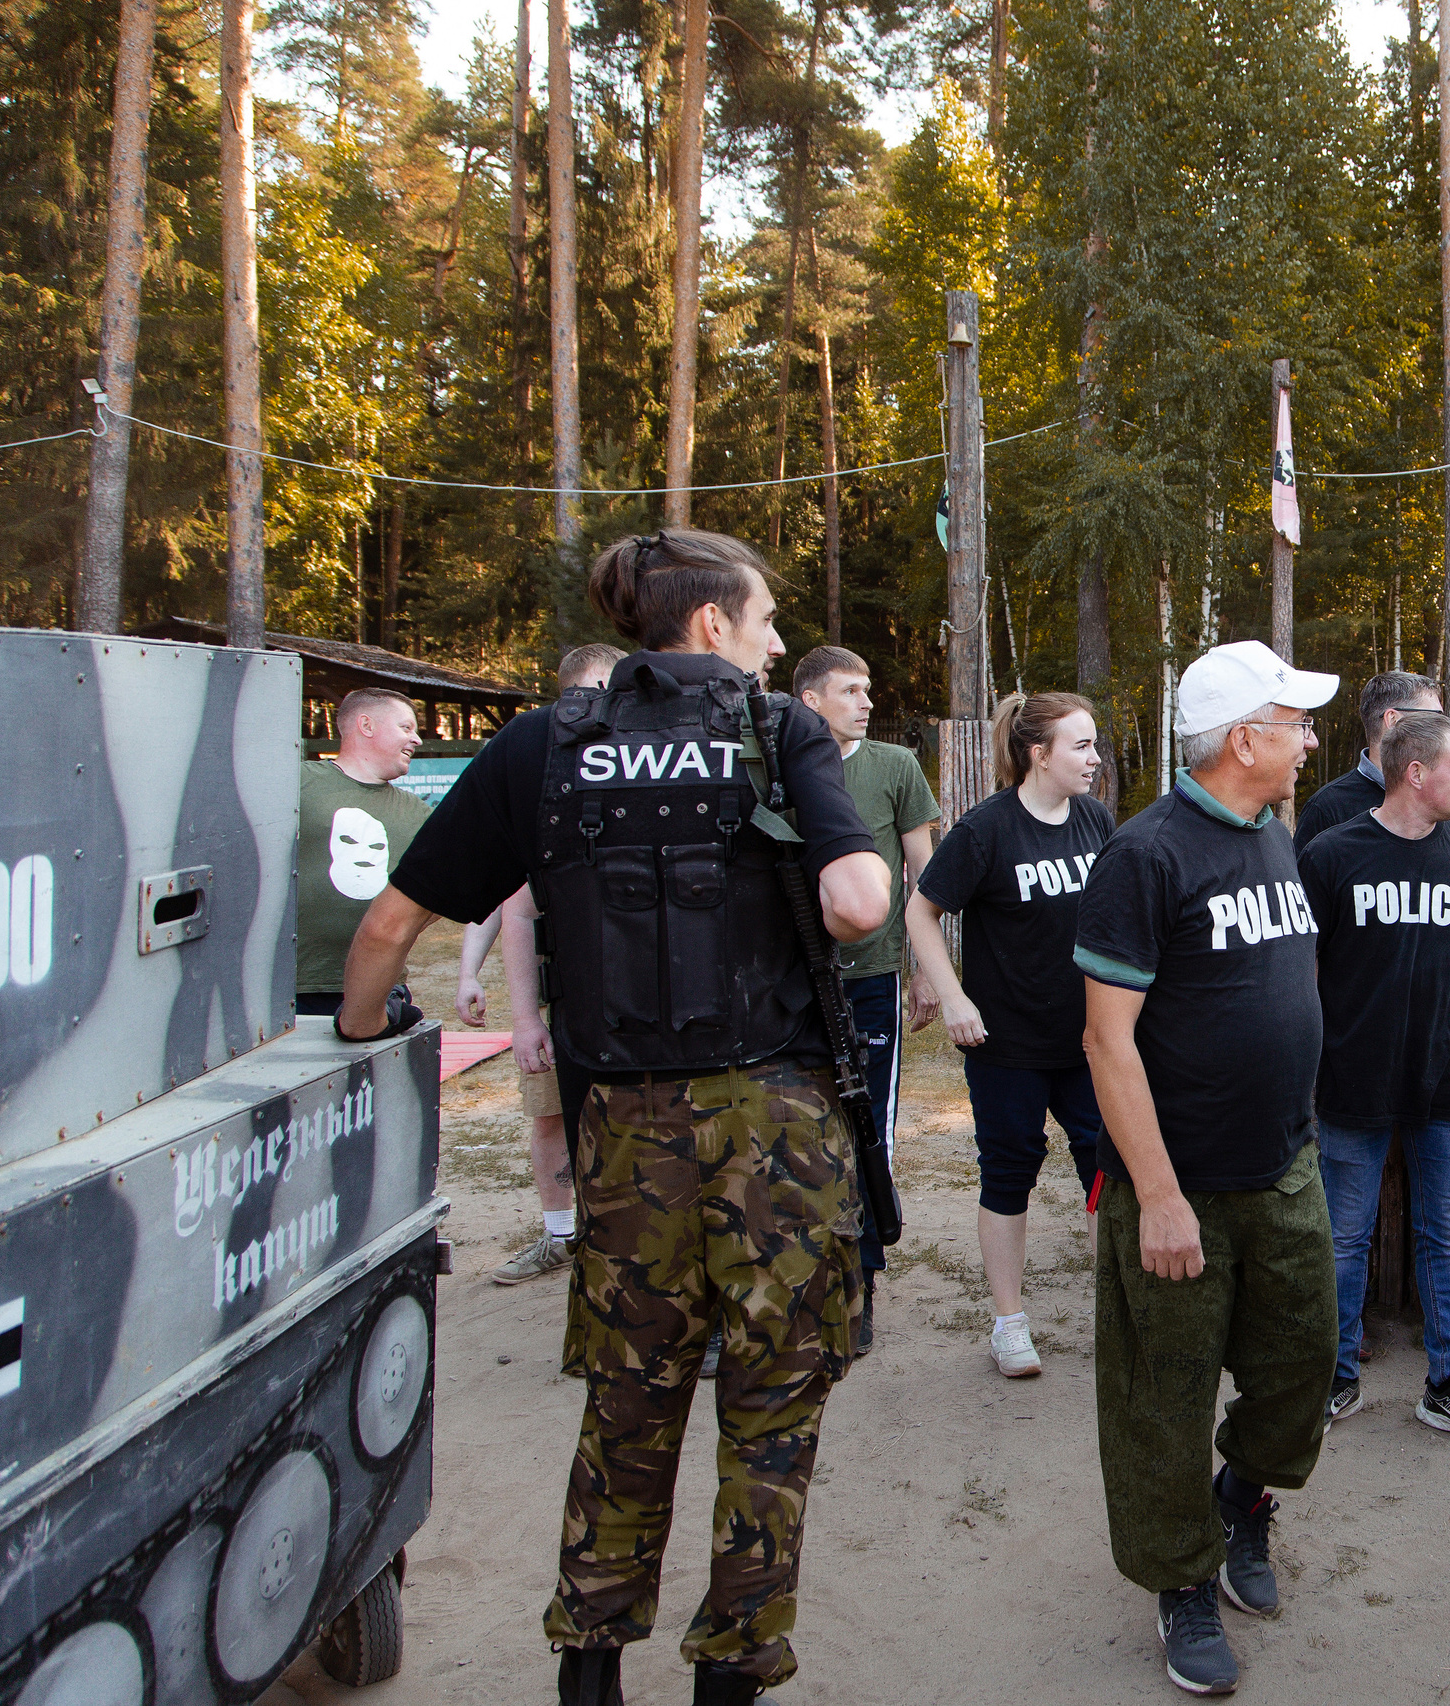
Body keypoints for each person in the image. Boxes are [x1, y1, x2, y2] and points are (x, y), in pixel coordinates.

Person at [329, 529, 890, 1706]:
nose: (778, 641)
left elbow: (389, 927)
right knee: (770, 1411)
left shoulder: (546, 740)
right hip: (775, 1130)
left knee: (628, 1400)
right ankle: (730, 1675)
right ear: (708, 626)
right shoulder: (780, 730)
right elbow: (854, 902)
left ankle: (589, 1670)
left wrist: (363, 1032)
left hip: (625, 1134)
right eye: (766, 619)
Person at [1075, 639, 1340, 1697]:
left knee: (1304, 1365)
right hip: (1177, 1186)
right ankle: (1180, 1578)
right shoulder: (1144, 856)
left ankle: (1240, 1498)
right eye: (1296, 720)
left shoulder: (1276, 833)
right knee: (1161, 1400)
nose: (1311, 737)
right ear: (1245, 739)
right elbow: (1107, 1040)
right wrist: (1161, 1196)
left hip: (1283, 1167)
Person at [1297, 711, 1450, 1448]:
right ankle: (1335, 1379)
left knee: (1445, 1236)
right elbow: (1298, 972)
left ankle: (1449, 1385)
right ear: (1416, 773)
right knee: (1343, 1238)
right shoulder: (1332, 855)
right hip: (1351, 1079)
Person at [905, 692, 1112, 1378]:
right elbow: (921, 911)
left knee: (1104, 1171)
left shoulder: (1095, 821)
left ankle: (1117, 1312)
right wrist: (955, 995)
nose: (1094, 759)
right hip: (1008, 1045)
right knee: (1009, 1173)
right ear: (1038, 754)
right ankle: (1009, 1323)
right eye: (1080, 746)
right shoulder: (987, 830)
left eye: (1094, 745)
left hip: (1088, 1042)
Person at [457, 642, 623, 1285]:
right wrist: (522, 1017)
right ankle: (561, 1237)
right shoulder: (541, 775)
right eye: (597, 692)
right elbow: (513, 904)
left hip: (635, 1006)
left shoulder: (637, 767)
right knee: (552, 1113)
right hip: (569, 1003)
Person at [793, 644, 940, 1355]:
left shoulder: (894, 767)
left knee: (865, 1129)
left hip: (871, 975)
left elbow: (926, 880)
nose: (867, 702)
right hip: (789, 977)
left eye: (869, 689)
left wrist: (925, 972)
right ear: (810, 700)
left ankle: (863, 1279)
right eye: (850, 691)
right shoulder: (776, 764)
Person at [296, 688, 429, 1018]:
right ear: (366, 725)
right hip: (293, 986)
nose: (417, 740)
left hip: (380, 989)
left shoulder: (417, 812)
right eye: (406, 728)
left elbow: (457, 885)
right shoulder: (297, 781)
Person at [1291, 669, 1439, 853]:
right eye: (1434, 718)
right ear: (1393, 720)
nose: (1443, 729)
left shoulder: (1439, 800)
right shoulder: (1327, 808)